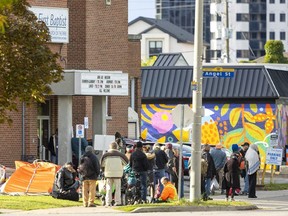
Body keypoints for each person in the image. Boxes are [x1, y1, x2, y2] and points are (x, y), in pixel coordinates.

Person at [101, 141, 128, 207]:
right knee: (117, 188)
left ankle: (108, 202)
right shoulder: (121, 155)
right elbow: (126, 163)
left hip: (108, 174)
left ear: (110, 147)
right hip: (118, 174)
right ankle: (117, 202)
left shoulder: (105, 155)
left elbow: (102, 165)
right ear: (117, 147)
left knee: (109, 188)